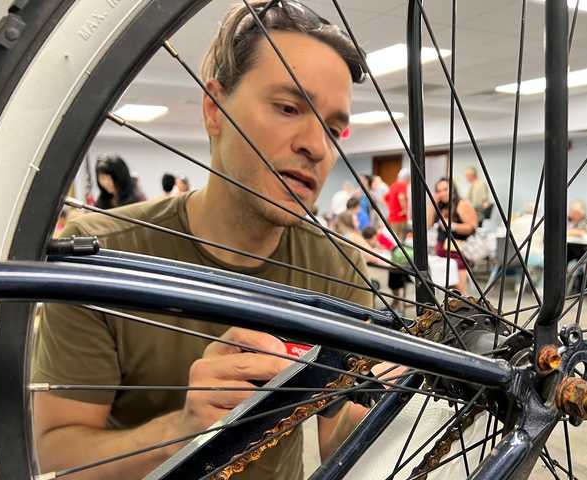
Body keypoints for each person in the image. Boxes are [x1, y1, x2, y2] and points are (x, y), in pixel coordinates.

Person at [32, 2, 376, 479]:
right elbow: (57, 456)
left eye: (334, 129)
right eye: (288, 107)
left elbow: (335, 428)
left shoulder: (340, 266)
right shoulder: (100, 252)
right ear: (214, 109)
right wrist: (188, 427)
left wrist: (384, 410)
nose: (317, 146)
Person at [427, 177, 478, 293]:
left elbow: (472, 227)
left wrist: (452, 225)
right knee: (448, 294)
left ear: (453, 189)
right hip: (442, 254)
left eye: (445, 189)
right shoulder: (440, 205)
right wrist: (432, 204)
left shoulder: (461, 204)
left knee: (460, 293)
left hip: (458, 254)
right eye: (439, 191)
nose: (442, 193)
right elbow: (428, 224)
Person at [384, 167, 410, 241]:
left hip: (392, 217)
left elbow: (385, 198)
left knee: (394, 239)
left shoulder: (393, 185)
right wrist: (404, 210)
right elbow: (401, 197)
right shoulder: (402, 185)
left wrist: (391, 208)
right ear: (407, 178)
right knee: (400, 240)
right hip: (399, 218)